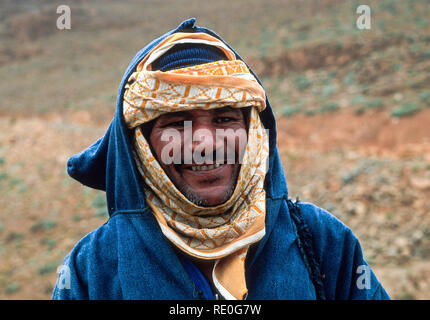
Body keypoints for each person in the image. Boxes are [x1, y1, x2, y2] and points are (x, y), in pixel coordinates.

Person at [51, 18, 390, 300]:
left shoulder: (321, 242)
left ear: (253, 133)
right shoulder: (92, 270)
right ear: (142, 145)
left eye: (225, 119)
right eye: (177, 124)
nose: (206, 143)